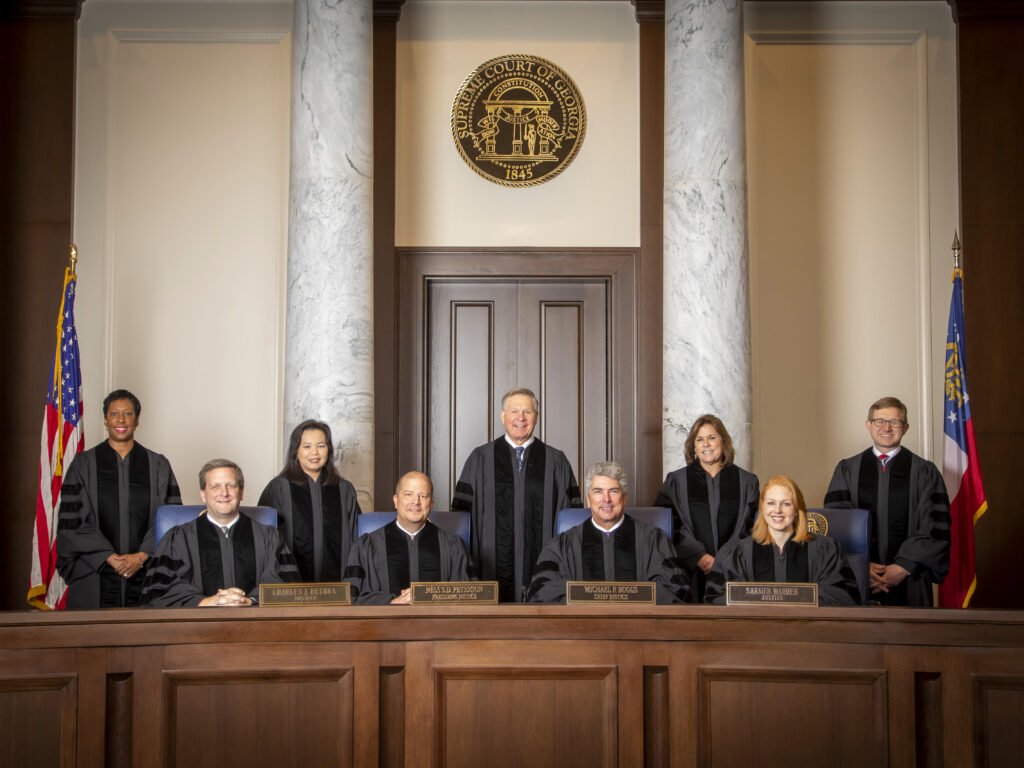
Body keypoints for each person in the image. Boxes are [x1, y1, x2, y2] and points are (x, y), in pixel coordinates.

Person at [451, 387, 582, 602]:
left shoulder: (555, 461)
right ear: (503, 416)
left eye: (527, 412)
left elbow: (572, 521)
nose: (520, 418)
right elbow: (461, 519)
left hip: (544, 564)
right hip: (489, 567)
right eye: (514, 411)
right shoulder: (480, 459)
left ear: (536, 417)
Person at [56, 389, 181, 608]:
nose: (121, 420)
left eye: (128, 414)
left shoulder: (158, 465)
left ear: (137, 420)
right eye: (114, 414)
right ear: (105, 420)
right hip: (95, 574)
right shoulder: (84, 464)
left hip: (148, 575)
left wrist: (141, 556)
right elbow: (73, 520)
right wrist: (109, 557)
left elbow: (170, 518)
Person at [824, 396, 951, 606]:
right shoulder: (847, 469)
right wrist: (861, 565)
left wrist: (904, 567)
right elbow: (837, 524)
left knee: (910, 636)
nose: (887, 427)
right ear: (869, 425)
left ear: (905, 427)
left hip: (911, 578)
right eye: (880, 421)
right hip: (859, 576)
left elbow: (936, 527)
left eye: (895, 422)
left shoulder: (925, 472)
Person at [526, 461, 688, 605]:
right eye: (598, 491)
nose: (606, 499)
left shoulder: (653, 539)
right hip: (580, 634)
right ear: (588, 500)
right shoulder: (563, 544)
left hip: (638, 632)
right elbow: (541, 591)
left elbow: (675, 589)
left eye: (613, 491)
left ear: (624, 498)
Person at [142, 459, 299, 607]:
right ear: (203, 494)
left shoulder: (269, 537)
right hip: (195, 630)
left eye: (230, 485)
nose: (224, 493)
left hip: (254, 628)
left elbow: (286, 586)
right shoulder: (177, 539)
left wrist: (249, 601)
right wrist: (207, 602)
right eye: (215, 486)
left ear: (241, 492)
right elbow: (157, 593)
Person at [704, 476, 861, 606]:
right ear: (762, 507)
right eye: (771, 503)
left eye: (786, 504)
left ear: (798, 509)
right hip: (753, 637)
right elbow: (717, 600)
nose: (777, 510)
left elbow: (843, 597)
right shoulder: (736, 554)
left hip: (809, 636)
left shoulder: (826, 550)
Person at [652, 414, 759, 602]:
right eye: (699, 439)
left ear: (724, 441)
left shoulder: (747, 481)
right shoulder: (676, 481)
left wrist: (725, 560)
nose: (706, 444)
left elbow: (751, 526)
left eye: (712, 437)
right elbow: (667, 525)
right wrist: (699, 556)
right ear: (693, 446)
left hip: (734, 571)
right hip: (689, 571)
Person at [344, 471, 469, 605]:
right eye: (408, 494)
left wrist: (428, 594)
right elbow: (350, 598)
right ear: (396, 501)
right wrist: (391, 602)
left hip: (437, 625)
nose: (416, 502)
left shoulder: (453, 546)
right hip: (383, 625)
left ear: (431, 503)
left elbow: (470, 595)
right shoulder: (366, 546)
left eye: (423, 496)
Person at [257, 420, 360, 583]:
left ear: (329, 450)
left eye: (321, 446)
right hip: (291, 586)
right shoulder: (279, 488)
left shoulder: (344, 489)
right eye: (306, 446)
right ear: (295, 451)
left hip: (338, 586)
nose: (315, 453)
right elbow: (264, 539)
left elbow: (356, 539)